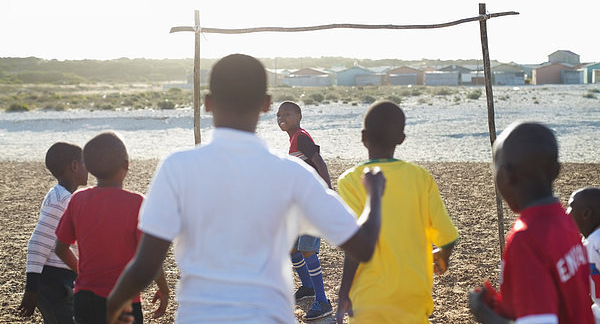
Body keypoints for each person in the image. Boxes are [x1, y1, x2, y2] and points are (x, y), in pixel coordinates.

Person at [105, 53, 386, 324]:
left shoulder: (177, 168)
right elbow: (362, 247)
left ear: (207, 103)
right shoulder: (292, 173)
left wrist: (113, 305)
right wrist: (374, 196)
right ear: (266, 104)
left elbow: (145, 264)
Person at [335, 101, 459, 324]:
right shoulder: (420, 177)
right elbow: (447, 235)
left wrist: (344, 292)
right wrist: (443, 254)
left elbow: (355, 244)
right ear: (401, 139)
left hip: (368, 298)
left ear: (363, 137)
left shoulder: (351, 181)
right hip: (413, 295)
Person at [468, 122, 594, 324]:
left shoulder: (525, 239)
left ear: (506, 176)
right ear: (556, 170)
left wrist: (485, 315)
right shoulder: (565, 220)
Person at [54, 132, 169, 324]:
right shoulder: (137, 204)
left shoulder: (78, 200)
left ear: (89, 167)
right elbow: (151, 259)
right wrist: (164, 289)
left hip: (85, 298)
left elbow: (60, 248)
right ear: (126, 165)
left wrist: (82, 273)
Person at [17, 142, 88, 324]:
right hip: (53, 283)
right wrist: (30, 289)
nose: (89, 168)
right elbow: (37, 243)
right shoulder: (61, 201)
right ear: (73, 166)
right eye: (84, 163)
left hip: (61, 279)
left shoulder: (62, 196)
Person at [276, 101, 334, 320]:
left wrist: (328, 191)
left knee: (308, 249)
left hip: (313, 202)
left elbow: (319, 161)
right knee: (292, 246)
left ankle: (322, 300)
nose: (282, 117)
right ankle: (308, 287)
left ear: (299, 116)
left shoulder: (301, 136)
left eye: (287, 114)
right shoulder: (293, 140)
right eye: (278, 114)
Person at [567, 187, 600, 324]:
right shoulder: (590, 242)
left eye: (571, 207)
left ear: (586, 214)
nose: (566, 213)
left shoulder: (596, 242)